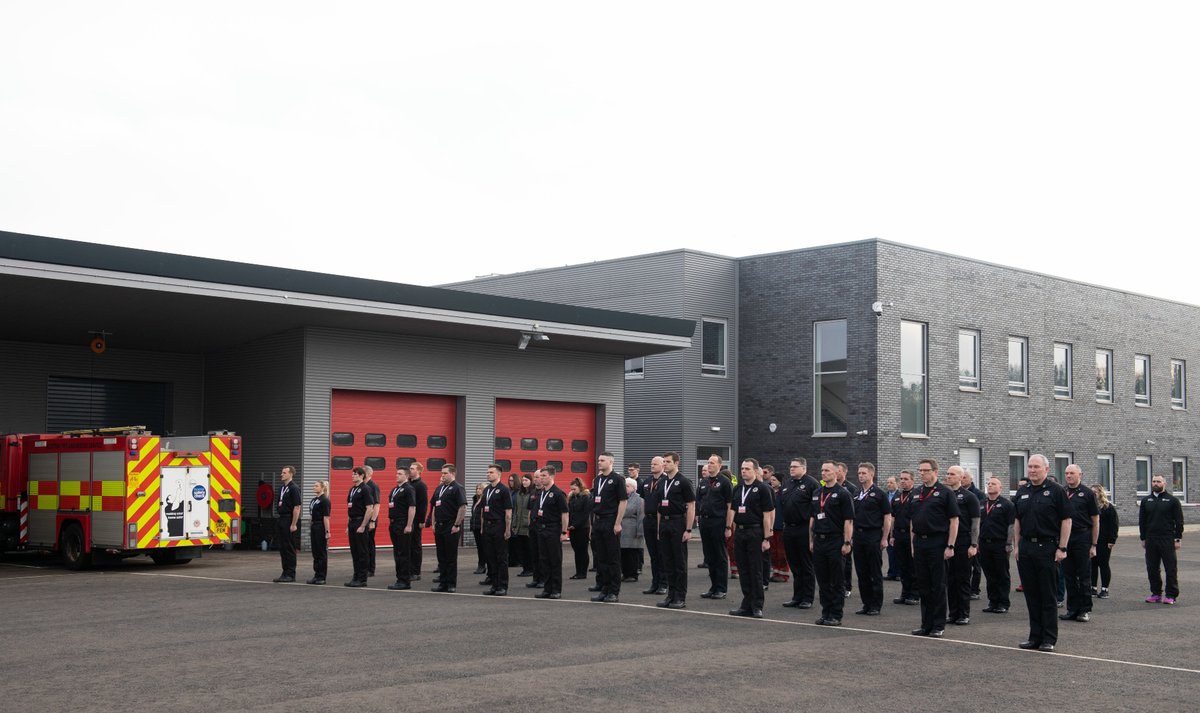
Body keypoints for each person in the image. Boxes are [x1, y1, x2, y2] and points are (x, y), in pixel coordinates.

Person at [1013, 454, 1071, 652]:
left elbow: (1066, 520)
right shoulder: (1022, 491)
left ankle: (1049, 638)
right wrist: (1017, 546)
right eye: (1030, 466)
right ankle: (1034, 636)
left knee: (1047, 595)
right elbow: (1017, 521)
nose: (1032, 470)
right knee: (1031, 595)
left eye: (1036, 467)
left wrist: (1062, 547)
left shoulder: (1056, 491)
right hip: (1027, 547)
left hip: (1047, 547)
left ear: (1046, 469)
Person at [909, 458, 959, 638]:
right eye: (920, 470)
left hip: (937, 542)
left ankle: (938, 625)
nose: (922, 473)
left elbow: (954, 520)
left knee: (937, 585)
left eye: (926, 470)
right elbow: (912, 521)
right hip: (920, 543)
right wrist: (913, 544)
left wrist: (950, 545)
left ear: (935, 472)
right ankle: (926, 624)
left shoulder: (945, 492)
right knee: (923, 585)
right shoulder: (916, 493)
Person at [728, 458, 775, 618]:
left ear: (755, 471)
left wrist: (767, 538)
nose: (743, 471)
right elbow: (734, 511)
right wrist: (730, 529)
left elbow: (767, 515)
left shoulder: (763, 489)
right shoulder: (737, 489)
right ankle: (746, 604)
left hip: (755, 532)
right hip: (740, 532)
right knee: (743, 569)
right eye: (742, 468)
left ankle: (757, 605)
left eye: (747, 469)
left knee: (755, 570)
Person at [810, 461, 854, 626]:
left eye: (827, 470)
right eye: (822, 470)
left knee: (836, 580)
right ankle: (825, 612)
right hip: (819, 540)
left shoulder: (843, 494)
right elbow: (813, 518)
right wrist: (811, 540)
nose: (823, 473)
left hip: (835, 540)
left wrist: (847, 542)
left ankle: (835, 614)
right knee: (823, 580)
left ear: (836, 473)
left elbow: (848, 521)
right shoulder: (817, 493)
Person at [850, 462, 891, 616]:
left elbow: (887, 517)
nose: (860, 476)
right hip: (858, 536)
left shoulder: (879, 494)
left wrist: (884, 538)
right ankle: (866, 603)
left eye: (864, 473)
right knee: (862, 572)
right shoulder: (856, 493)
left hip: (873, 535)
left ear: (871, 474)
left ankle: (875, 605)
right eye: (859, 473)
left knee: (874, 572)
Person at [656, 451, 696, 609]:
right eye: (664, 461)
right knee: (668, 561)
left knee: (679, 562)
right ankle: (670, 595)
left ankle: (680, 597)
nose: (665, 464)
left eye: (668, 462)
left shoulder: (684, 481)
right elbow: (659, 506)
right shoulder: (662, 482)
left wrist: (688, 529)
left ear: (676, 463)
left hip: (678, 522)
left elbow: (691, 505)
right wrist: (659, 528)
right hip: (664, 524)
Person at [1060, 464, 1099, 623]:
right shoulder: (1061, 492)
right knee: (1068, 575)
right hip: (1066, 538)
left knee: (1083, 576)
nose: (1068, 476)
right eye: (1066, 473)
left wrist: (1094, 544)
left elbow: (1095, 520)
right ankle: (1072, 609)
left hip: (1082, 536)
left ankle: (1084, 610)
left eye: (1072, 473)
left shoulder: (1088, 493)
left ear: (1080, 475)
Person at [779, 457, 819, 609]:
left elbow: (815, 509)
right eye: (791, 466)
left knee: (806, 565)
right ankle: (797, 596)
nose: (792, 469)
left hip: (804, 527)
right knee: (795, 565)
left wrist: (812, 533)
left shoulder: (811, 483)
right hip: (789, 528)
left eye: (795, 466)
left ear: (804, 468)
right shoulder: (787, 483)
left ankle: (807, 598)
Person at [589, 452, 628, 602]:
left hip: (610, 520)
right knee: (601, 558)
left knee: (613, 558)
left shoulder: (618, 479)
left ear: (611, 462)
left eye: (602, 460)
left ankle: (613, 591)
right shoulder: (598, 479)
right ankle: (604, 589)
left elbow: (623, 501)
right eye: (599, 460)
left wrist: (617, 523)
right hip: (598, 521)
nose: (599, 462)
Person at [1140, 473, 1184, 605]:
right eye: (1154, 481)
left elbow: (1179, 521)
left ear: (1164, 483)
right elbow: (1142, 521)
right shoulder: (1146, 501)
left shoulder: (1172, 501)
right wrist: (1143, 538)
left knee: (1170, 568)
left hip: (1167, 538)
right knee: (1152, 568)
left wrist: (1177, 538)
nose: (1155, 484)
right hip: (1151, 539)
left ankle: (1171, 595)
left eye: (1158, 481)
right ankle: (1156, 593)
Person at [945, 465, 979, 625]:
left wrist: (974, 544)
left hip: (964, 541)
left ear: (961, 477)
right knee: (950, 579)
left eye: (952, 474)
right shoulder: (945, 495)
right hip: (947, 541)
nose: (948, 476)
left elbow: (975, 522)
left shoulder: (969, 497)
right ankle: (953, 613)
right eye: (947, 474)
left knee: (963, 579)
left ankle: (964, 613)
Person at [979, 475, 1015, 613]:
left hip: (999, 544)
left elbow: (1011, 525)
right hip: (984, 544)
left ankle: (1003, 603)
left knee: (1002, 574)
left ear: (1000, 487)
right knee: (990, 575)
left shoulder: (1007, 504)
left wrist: (1009, 543)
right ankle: (992, 601)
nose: (990, 485)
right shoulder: (982, 503)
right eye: (988, 483)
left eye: (993, 484)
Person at [698, 454, 732, 600]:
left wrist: (728, 526)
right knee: (709, 556)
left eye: (712, 462)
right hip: (705, 522)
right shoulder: (704, 482)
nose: (709, 465)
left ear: (719, 465)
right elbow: (699, 501)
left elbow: (730, 505)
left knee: (720, 556)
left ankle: (721, 588)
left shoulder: (725, 482)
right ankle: (713, 587)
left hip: (718, 521)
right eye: (708, 462)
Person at [531, 467, 569, 599]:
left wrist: (564, 531)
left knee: (555, 560)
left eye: (544, 476)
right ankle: (547, 589)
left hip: (553, 529)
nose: (541, 478)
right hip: (541, 530)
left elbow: (564, 513)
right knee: (544, 560)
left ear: (552, 476)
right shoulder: (541, 493)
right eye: (540, 476)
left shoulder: (558, 493)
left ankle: (556, 589)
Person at [428, 464, 466, 593]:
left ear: (453, 474)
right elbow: (434, 507)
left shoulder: (457, 488)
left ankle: (451, 584)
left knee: (450, 557)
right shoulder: (439, 488)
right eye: (442, 473)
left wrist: (456, 525)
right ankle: (442, 583)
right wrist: (433, 523)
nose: (442, 475)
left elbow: (462, 507)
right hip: (439, 526)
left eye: (445, 473)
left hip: (450, 526)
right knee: (441, 556)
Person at [480, 464, 513, 596]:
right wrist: (482, 527)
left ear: (499, 474)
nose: (488, 474)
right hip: (487, 526)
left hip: (499, 525)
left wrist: (507, 529)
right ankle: (494, 585)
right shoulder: (487, 490)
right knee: (490, 557)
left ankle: (502, 586)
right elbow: (483, 510)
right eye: (487, 472)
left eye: (491, 472)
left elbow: (508, 511)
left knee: (501, 557)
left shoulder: (504, 490)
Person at [889, 470, 919, 606]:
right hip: (898, 535)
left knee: (912, 566)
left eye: (906, 479)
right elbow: (892, 517)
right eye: (901, 479)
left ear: (912, 480)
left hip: (910, 534)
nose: (903, 481)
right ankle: (905, 593)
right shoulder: (897, 497)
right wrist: (891, 535)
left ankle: (914, 594)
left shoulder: (916, 495)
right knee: (902, 566)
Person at [386, 466, 416, 591]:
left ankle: (405, 581)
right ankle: (399, 579)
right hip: (394, 524)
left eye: (400, 473)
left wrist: (409, 525)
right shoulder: (395, 489)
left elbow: (412, 507)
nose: (397, 475)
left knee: (403, 554)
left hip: (403, 524)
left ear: (406, 476)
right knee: (397, 553)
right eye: (396, 473)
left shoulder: (408, 489)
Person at [639, 456, 666, 595]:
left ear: (663, 465)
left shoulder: (665, 480)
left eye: (655, 464)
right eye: (651, 463)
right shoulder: (647, 481)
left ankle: (663, 583)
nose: (652, 466)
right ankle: (655, 583)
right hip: (648, 520)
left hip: (660, 520)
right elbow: (643, 500)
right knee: (653, 555)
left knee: (662, 554)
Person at [273, 465, 302, 583]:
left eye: (284, 472)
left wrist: (294, 524)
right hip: (281, 518)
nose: (282, 474)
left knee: (289, 547)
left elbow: (297, 507)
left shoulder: (294, 488)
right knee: (283, 547)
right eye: (282, 472)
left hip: (289, 519)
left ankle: (290, 573)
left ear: (291, 474)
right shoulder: (282, 488)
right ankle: (284, 572)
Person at [344, 467, 371, 587]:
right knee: (354, 552)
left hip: (360, 521)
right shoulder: (352, 489)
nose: (352, 476)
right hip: (352, 522)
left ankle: (362, 579)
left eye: (355, 474)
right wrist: (348, 525)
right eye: (352, 474)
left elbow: (369, 508)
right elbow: (350, 508)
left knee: (361, 552)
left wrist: (363, 525)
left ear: (361, 476)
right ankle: (355, 576)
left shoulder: (365, 489)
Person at [1090, 484, 1118, 599]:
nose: (1093, 495)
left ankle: (1105, 589)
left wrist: (1112, 540)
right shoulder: (1089, 506)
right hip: (1091, 540)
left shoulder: (1108, 507)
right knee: (1092, 564)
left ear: (1100, 493)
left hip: (1104, 540)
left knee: (1103, 564)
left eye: (1095, 493)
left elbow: (1114, 525)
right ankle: (1093, 587)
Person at [836, 461, 857, 596]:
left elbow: (853, 513)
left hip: (846, 529)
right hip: (833, 530)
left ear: (844, 472)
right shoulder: (828, 488)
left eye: (838, 471)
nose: (836, 473)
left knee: (846, 560)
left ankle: (846, 587)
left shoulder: (851, 489)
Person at [963, 470, 985, 598]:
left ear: (971, 479)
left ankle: (975, 589)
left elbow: (980, 515)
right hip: (963, 534)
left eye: (965, 477)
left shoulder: (978, 494)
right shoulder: (956, 493)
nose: (962, 479)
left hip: (975, 533)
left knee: (976, 565)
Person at [407, 462, 429, 580]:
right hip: (407, 519)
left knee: (415, 545)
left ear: (419, 471)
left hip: (416, 520)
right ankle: (408, 569)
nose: (409, 470)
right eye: (409, 468)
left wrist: (421, 520)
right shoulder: (408, 484)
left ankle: (416, 572)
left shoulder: (421, 485)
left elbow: (423, 504)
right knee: (408, 545)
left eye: (412, 468)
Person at [307, 480, 331, 585]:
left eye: (316, 486)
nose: (314, 487)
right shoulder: (314, 500)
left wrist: (327, 531)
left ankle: (321, 576)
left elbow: (326, 517)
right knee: (315, 552)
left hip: (320, 526)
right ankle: (316, 575)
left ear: (322, 488)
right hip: (314, 526)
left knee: (321, 552)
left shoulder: (325, 500)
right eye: (314, 485)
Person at [620, 477, 645, 581]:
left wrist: (640, 531)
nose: (625, 488)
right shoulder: (622, 498)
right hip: (622, 529)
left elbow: (641, 516)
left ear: (634, 488)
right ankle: (625, 573)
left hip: (632, 529)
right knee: (623, 552)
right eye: (624, 486)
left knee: (632, 553)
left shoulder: (639, 500)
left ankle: (633, 574)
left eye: (628, 486)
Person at [567, 478, 592, 579]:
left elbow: (585, 514)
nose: (573, 491)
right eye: (571, 489)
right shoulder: (572, 498)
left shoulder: (586, 498)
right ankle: (578, 572)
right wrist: (569, 524)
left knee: (582, 550)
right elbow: (569, 512)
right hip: (573, 528)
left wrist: (576, 525)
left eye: (574, 489)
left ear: (580, 487)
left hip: (582, 528)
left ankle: (583, 572)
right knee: (576, 550)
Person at [510, 474, 533, 577]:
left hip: (527, 526)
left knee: (529, 549)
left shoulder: (532, 494)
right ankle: (525, 568)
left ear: (531, 481)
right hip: (519, 526)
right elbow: (516, 510)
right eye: (523, 480)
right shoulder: (520, 494)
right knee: (521, 549)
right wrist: (514, 523)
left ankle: (530, 569)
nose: (524, 482)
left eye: (526, 480)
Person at [361, 465, 381, 578]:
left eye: (362, 472)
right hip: (363, 519)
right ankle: (363, 567)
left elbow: (376, 505)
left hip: (370, 520)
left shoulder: (373, 486)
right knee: (363, 545)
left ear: (368, 474)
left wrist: (372, 520)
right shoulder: (362, 486)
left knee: (369, 544)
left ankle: (370, 569)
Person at [884, 475, 899, 580]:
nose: (889, 484)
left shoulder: (900, 495)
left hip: (895, 527)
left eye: (891, 482)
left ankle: (898, 573)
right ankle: (891, 572)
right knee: (889, 551)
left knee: (896, 551)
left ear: (897, 484)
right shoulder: (884, 495)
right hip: (886, 527)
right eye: (888, 482)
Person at [471, 482, 487, 576]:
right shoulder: (475, 500)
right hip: (475, 526)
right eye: (477, 488)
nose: (478, 490)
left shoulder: (484, 500)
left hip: (481, 527)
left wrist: (482, 527)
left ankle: (482, 565)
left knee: (483, 547)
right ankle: (481, 564)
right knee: (479, 547)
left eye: (480, 488)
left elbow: (483, 515)